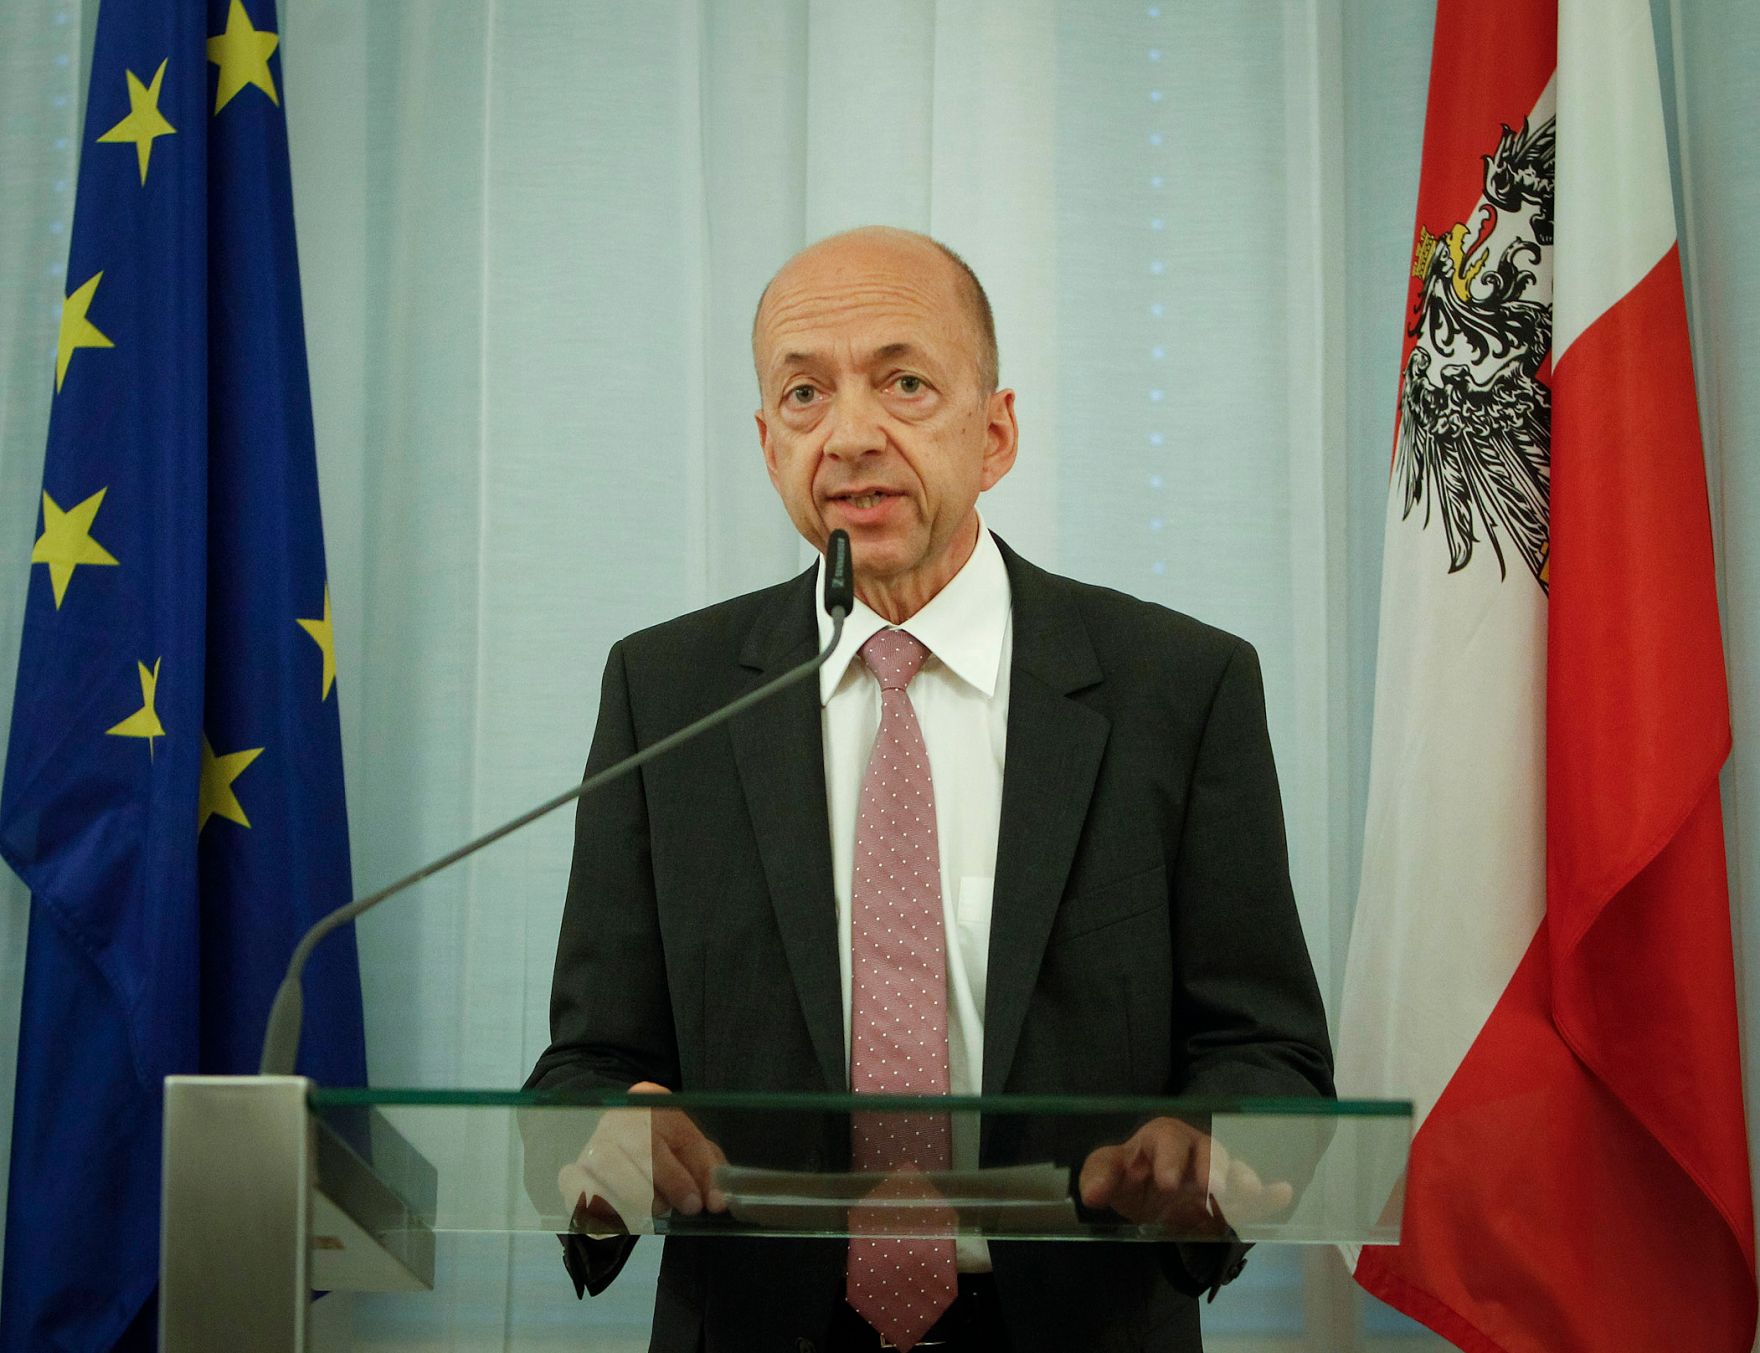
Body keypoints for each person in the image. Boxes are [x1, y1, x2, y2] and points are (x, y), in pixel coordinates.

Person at [526, 226, 1334, 1352]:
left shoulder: (1176, 689)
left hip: (1075, 1326)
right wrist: (606, 1137)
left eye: (902, 382)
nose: (851, 434)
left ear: (995, 432)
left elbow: (1271, 1054)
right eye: (804, 395)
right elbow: (587, 1065)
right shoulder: (667, 694)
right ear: (768, 446)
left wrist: (1205, 1150)